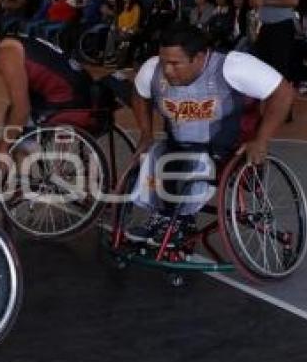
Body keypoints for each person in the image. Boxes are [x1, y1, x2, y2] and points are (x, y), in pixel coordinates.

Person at [126, 22, 294, 244]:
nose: (167, 70)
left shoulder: (233, 66)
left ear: (200, 57)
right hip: (178, 145)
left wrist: (261, 140)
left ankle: (180, 220)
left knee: (192, 163)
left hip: (224, 147)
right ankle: (163, 216)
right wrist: (146, 133)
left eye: (176, 64)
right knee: (156, 154)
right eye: (165, 62)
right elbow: (139, 94)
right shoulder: (153, 68)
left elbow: (283, 93)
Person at [0, 10, 97, 177]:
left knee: (17, 123)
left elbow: (22, 109)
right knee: (12, 116)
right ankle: (24, 167)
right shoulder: (15, 41)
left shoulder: (7, 54)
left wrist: (3, 148)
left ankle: (22, 176)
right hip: (80, 89)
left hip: (70, 99)